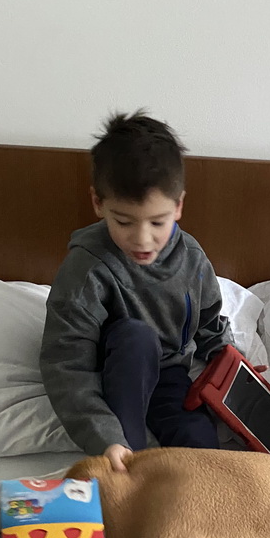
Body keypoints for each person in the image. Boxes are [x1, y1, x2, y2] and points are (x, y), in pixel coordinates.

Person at [40, 110, 233, 473]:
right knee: (136, 338)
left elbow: (209, 320)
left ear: (178, 207)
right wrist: (107, 438)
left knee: (204, 456)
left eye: (157, 223)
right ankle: (128, 463)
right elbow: (66, 362)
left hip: (171, 374)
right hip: (115, 369)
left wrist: (227, 356)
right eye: (124, 221)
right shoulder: (87, 268)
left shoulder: (191, 256)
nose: (143, 240)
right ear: (98, 203)